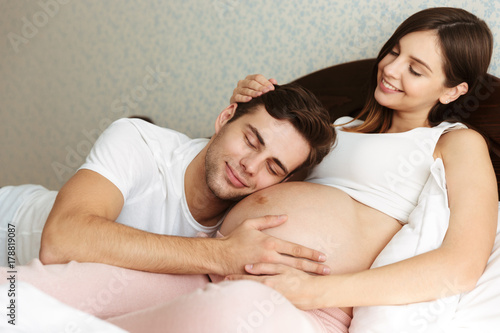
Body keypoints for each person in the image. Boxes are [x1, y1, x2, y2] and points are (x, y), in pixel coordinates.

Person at [2, 7, 498, 333]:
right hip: (217, 267)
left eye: (416, 69)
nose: (391, 70)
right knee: (37, 287)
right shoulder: (335, 128)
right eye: (394, 52)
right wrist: (240, 109)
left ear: (454, 91)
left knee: (224, 317)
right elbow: (247, 172)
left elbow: (459, 266)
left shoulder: (455, 144)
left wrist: (314, 289)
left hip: (305, 308)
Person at [0, 83, 335, 277]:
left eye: (273, 167)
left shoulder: (247, 227)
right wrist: (218, 254)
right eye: (251, 140)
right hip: (9, 225)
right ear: (225, 118)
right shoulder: (138, 140)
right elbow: (61, 241)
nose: (250, 165)